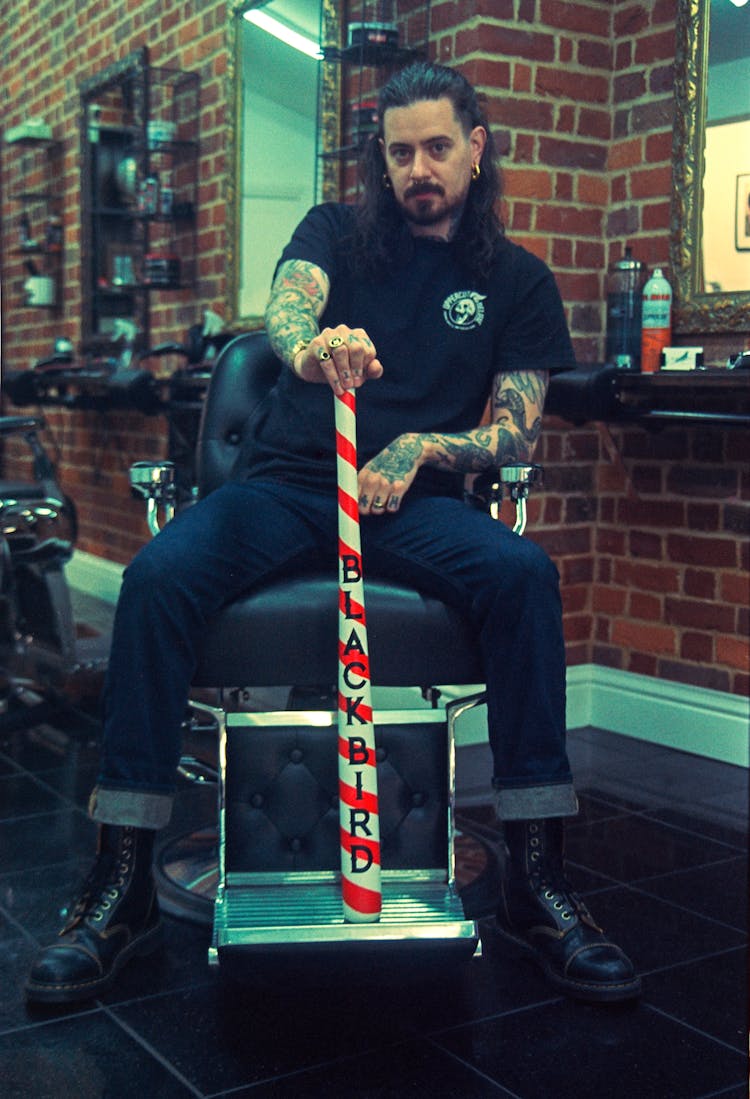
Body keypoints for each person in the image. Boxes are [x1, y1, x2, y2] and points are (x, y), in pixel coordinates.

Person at [26, 61, 640, 1005]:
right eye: (400, 153)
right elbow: (286, 311)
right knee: (156, 578)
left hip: (416, 503)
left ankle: (538, 881)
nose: (418, 169)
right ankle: (118, 889)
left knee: (522, 575)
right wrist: (311, 348)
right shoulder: (335, 234)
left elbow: (515, 428)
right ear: (380, 160)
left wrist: (424, 448)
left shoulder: (517, 282)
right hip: (289, 485)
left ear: (476, 149)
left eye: (437, 147)